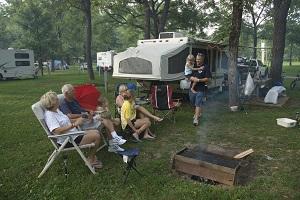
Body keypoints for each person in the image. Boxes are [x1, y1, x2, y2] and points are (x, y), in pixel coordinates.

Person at [40, 91, 103, 169]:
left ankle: (91, 156)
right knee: (96, 136)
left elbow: (67, 120)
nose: (58, 100)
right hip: (68, 140)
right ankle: (90, 159)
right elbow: (57, 131)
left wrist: (80, 119)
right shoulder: (50, 116)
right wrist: (74, 125)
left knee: (96, 131)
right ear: (52, 103)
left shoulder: (56, 110)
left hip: (73, 135)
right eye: (56, 99)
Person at [60, 84, 126, 153]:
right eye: (72, 91)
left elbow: (81, 108)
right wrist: (84, 115)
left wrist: (89, 111)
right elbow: (69, 116)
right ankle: (114, 140)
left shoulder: (74, 100)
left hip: (87, 118)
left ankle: (114, 140)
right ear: (66, 93)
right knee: (105, 119)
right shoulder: (63, 103)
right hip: (81, 123)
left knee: (105, 118)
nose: (75, 92)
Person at [189, 53, 211, 126]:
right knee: (192, 101)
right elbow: (188, 75)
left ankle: (196, 119)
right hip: (192, 88)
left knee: (198, 103)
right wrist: (192, 78)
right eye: (197, 59)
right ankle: (198, 113)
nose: (197, 61)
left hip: (201, 88)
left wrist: (198, 80)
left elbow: (207, 78)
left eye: (199, 60)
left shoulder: (206, 67)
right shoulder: (193, 65)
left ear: (202, 60)